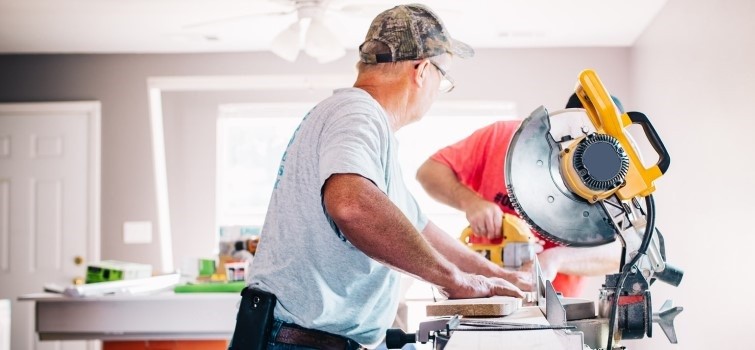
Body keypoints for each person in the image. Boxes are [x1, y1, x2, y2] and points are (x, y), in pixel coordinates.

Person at [239, 4, 530, 350]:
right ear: (422, 71)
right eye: (444, 79)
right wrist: (454, 280)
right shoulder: (357, 111)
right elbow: (351, 204)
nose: (439, 90)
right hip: (298, 342)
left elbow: (421, 229)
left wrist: (496, 277)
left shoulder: (361, 125)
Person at [415, 94, 624, 298]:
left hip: (555, 303)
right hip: (482, 291)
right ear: (562, 120)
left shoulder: (613, 179)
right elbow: (429, 172)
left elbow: (620, 252)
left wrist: (555, 259)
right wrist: (470, 202)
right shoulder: (502, 137)